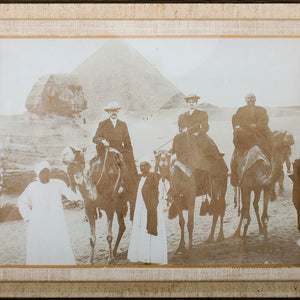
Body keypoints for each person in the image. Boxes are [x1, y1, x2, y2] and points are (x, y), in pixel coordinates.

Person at [18, 161, 82, 265]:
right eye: (43, 172)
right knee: (40, 246)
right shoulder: (32, 187)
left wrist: (78, 196)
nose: (46, 175)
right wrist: (28, 216)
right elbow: (22, 202)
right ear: (38, 174)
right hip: (39, 222)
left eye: (48, 172)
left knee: (58, 243)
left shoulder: (58, 183)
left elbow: (70, 195)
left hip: (56, 221)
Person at [92, 101, 138, 220]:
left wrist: (130, 155)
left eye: (115, 111)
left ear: (118, 112)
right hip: (106, 150)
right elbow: (94, 138)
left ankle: (127, 189)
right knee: (93, 165)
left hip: (119, 150)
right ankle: (93, 192)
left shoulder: (123, 124)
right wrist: (102, 140)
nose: (114, 113)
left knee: (128, 168)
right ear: (108, 112)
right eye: (111, 111)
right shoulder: (102, 124)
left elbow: (127, 141)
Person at [172, 94, 227, 176]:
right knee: (176, 138)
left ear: (196, 103)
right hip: (185, 136)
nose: (191, 104)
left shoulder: (202, 114)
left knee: (207, 146)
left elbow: (205, 126)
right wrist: (183, 130)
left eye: (193, 102)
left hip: (198, 136)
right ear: (187, 104)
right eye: (190, 102)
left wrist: (198, 132)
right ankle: (175, 156)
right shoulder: (182, 116)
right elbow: (180, 127)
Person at [127, 157, 168, 265]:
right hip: (141, 210)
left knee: (151, 231)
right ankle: (144, 257)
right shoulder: (140, 179)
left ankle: (153, 257)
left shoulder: (154, 176)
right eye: (140, 166)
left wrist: (152, 206)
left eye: (144, 165)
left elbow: (158, 190)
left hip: (151, 209)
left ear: (149, 167)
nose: (142, 168)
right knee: (142, 232)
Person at [230, 92, 273, 186]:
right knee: (236, 154)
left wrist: (257, 126)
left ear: (255, 99)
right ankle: (234, 176)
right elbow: (236, 119)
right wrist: (237, 126)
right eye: (248, 98)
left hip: (259, 133)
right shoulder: (241, 110)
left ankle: (270, 172)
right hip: (245, 134)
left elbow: (264, 120)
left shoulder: (261, 110)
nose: (250, 100)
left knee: (268, 149)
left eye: (252, 98)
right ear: (245, 100)